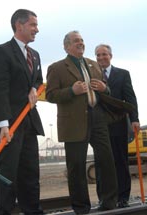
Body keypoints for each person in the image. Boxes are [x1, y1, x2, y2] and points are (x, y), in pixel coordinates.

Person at [46, 30, 118, 214]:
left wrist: (105, 88)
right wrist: (71, 91)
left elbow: (105, 90)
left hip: (98, 118)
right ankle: (81, 208)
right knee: (77, 167)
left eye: (82, 40)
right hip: (74, 123)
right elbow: (50, 95)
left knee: (107, 161)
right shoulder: (57, 68)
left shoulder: (94, 65)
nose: (81, 43)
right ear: (66, 46)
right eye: (76, 41)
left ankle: (108, 202)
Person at [0, 9, 45, 215]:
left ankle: (33, 211)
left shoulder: (35, 55)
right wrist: (3, 125)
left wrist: (33, 89)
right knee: (7, 176)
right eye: (33, 25)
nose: (36, 29)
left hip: (28, 122)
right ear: (19, 26)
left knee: (30, 173)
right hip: (8, 125)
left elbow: (37, 80)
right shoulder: (2, 52)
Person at [95, 44, 140, 208]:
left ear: (110, 56)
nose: (101, 58)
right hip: (99, 127)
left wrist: (134, 119)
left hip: (119, 124)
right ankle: (104, 198)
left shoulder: (123, 74)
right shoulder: (92, 75)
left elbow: (130, 98)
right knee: (102, 164)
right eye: (98, 55)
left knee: (120, 162)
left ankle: (123, 197)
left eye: (104, 54)